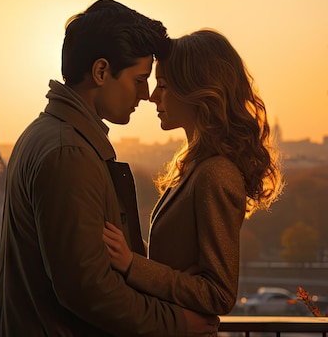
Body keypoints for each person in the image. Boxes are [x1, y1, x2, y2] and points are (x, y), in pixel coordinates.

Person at [0, 0, 219, 337]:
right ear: (100, 72)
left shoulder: (48, 135)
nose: (145, 94)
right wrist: (178, 323)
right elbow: (88, 290)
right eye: (139, 79)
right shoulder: (69, 153)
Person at [103, 29, 283, 317]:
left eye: (162, 85)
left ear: (195, 90)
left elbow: (220, 295)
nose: (151, 96)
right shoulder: (196, 167)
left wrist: (131, 263)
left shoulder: (216, 173)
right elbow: (174, 259)